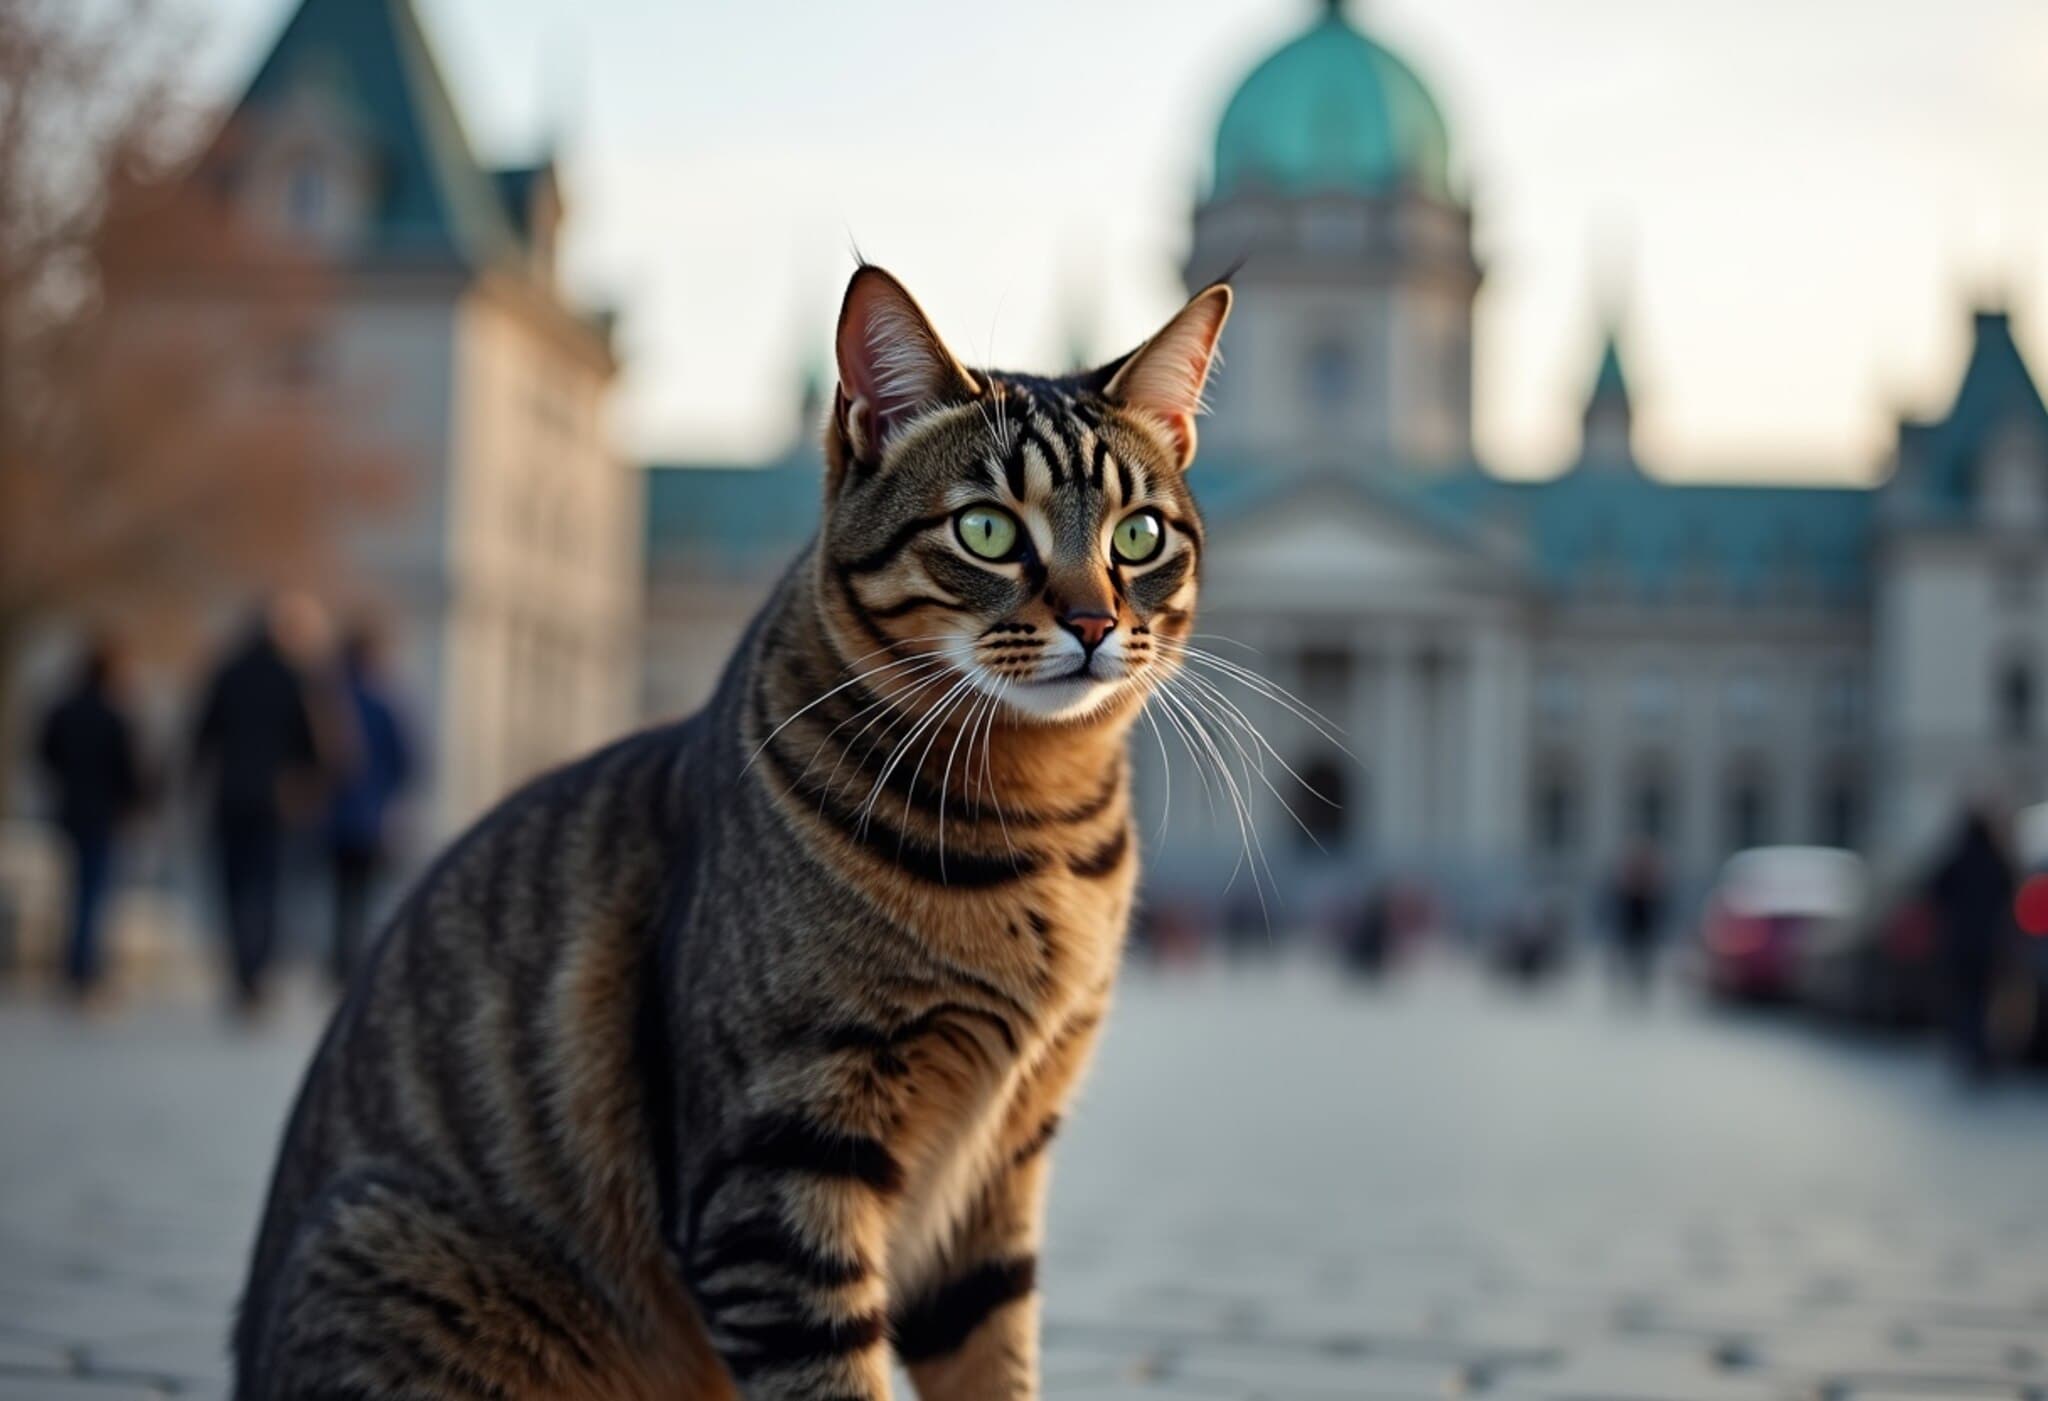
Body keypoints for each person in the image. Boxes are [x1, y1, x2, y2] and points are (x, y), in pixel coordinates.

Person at [192, 596, 327, 1013]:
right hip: (274, 799)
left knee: (234, 887)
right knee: (267, 889)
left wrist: (194, 781)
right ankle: (257, 970)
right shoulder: (292, 677)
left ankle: (242, 970)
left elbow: (203, 734)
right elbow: (310, 742)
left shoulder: (228, 674)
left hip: (229, 795)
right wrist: (310, 784)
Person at [35, 638, 146, 1004]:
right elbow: (128, 770)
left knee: (76, 890)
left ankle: (74, 966)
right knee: (94, 893)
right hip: (103, 815)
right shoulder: (114, 716)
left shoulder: (63, 710)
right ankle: (84, 969)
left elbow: (46, 753)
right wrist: (134, 803)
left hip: (71, 810)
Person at [324, 624, 413, 987]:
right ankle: (353, 961)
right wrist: (385, 797)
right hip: (369, 818)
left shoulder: (331, 703)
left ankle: (339, 961)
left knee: (339, 893)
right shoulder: (382, 705)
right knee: (361, 894)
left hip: (332, 818)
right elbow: (406, 762)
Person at [1927, 805, 2017, 1082]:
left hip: (1960, 943)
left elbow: (1934, 890)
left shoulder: (1958, 859)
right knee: (1981, 999)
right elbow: (2011, 892)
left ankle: (1965, 1046)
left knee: (1963, 998)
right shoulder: (1996, 860)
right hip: (1988, 944)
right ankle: (1979, 1050)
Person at [1606, 840, 1668, 1000]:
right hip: (1631, 920)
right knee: (1627, 953)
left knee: (1643, 955)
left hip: (1642, 920)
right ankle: (1626, 986)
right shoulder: (1630, 878)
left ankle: (1640, 986)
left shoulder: (1648, 879)